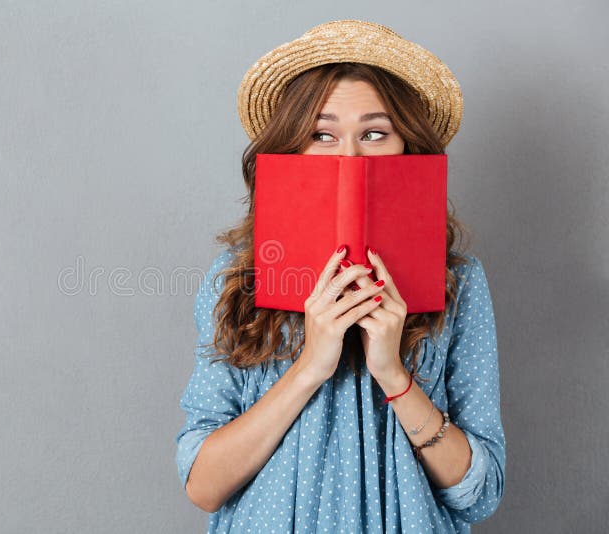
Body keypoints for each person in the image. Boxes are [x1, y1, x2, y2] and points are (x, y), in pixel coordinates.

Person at [174, 20, 506, 533]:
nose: (349, 157)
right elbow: (203, 484)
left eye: (375, 133)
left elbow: (480, 493)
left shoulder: (458, 283)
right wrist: (310, 365)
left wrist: (395, 376)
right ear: (293, 150)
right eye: (322, 135)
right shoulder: (235, 278)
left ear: (407, 149)